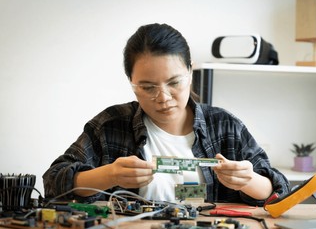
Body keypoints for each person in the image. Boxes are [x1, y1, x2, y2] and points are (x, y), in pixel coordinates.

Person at [43, 23, 290, 206]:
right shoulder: (110, 126)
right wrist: (109, 174)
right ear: (131, 82)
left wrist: (248, 180)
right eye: (148, 87)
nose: (163, 97)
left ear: (190, 72)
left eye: (174, 82)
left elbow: (280, 191)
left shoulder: (225, 127)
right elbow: (53, 183)